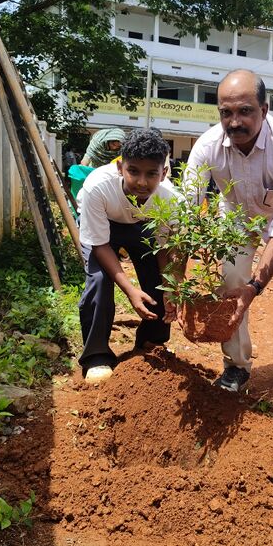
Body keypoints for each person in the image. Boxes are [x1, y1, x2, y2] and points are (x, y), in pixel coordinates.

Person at [183, 69, 273, 393]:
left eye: (245, 111)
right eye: (226, 113)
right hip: (236, 217)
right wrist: (176, 280)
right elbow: (186, 211)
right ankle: (236, 365)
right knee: (230, 283)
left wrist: (255, 286)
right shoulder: (206, 147)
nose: (234, 122)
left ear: (264, 110)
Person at [76, 129, 177, 384]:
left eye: (151, 173)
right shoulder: (97, 187)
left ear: (163, 173)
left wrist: (170, 287)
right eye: (134, 171)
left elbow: (164, 249)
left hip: (143, 226)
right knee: (99, 279)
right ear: (120, 167)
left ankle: (152, 340)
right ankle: (96, 355)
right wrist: (131, 291)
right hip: (104, 227)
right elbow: (100, 245)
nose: (142, 182)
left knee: (158, 282)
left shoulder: (170, 200)